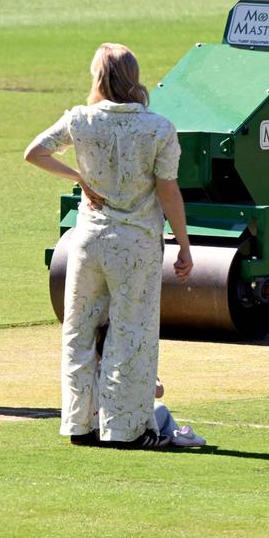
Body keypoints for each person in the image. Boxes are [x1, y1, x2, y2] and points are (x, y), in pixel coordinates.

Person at [24, 43, 193, 449]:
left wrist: (79, 178)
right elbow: (168, 192)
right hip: (135, 245)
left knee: (79, 331)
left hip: (88, 241)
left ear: (97, 79)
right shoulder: (158, 127)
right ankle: (125, 429)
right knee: (131, 334)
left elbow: (34, 153)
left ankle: (79, 424)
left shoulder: (80, 120)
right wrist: (184, 245)